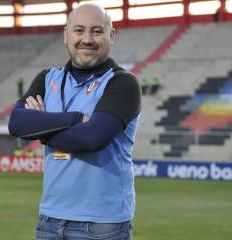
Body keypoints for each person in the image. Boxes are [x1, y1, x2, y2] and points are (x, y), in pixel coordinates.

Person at [8, 3, 141, 239]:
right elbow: (17, 124)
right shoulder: (47, 78)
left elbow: (91, 138)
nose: (87, 39)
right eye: (79, 30)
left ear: (111, 35)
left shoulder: (123, 83)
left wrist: (40, 126)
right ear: (65, 34)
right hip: (49, 219)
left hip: (102, 225)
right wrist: (76, 119)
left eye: (97, 31)